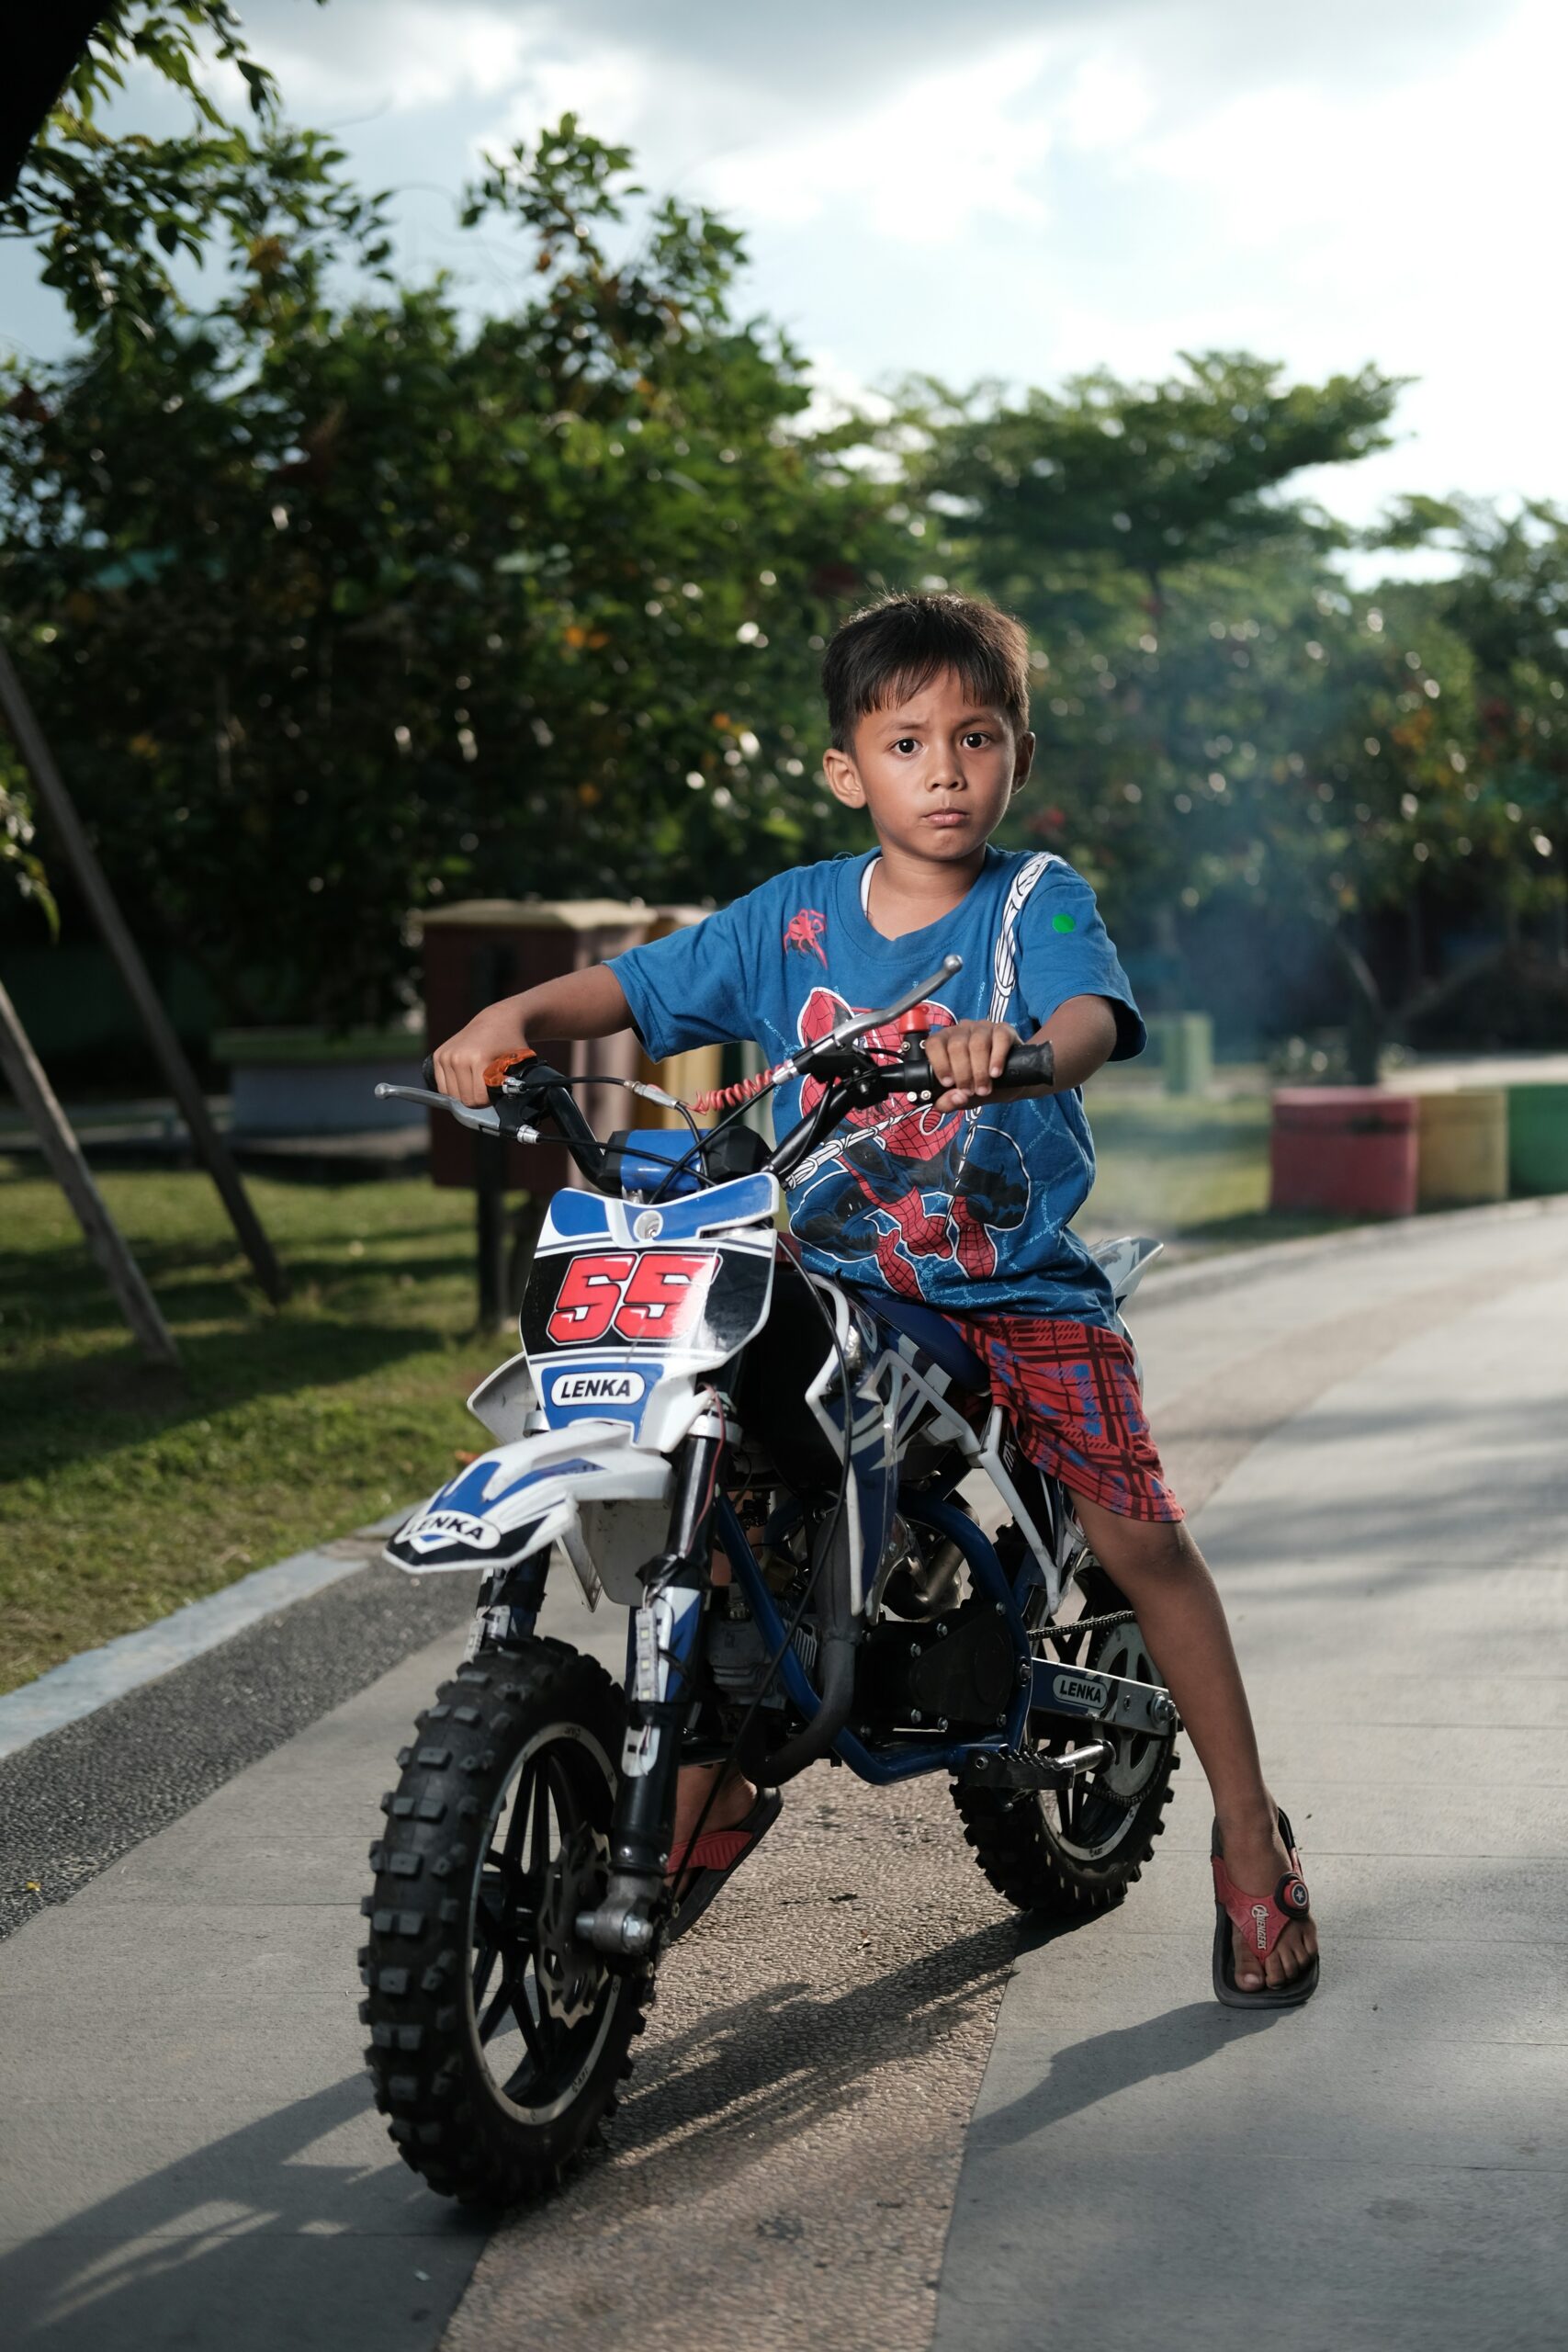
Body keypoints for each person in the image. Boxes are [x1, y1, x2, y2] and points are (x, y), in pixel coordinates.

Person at [434, 591, 1319, 2007]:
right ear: (852, 769)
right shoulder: (791, 919)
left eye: (978, 737)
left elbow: (1090, 1020)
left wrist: (1018, 1049)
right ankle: (709, 1781)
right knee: (728, 1494)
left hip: (1012, 1285)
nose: (948, 770)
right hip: (844, 1277)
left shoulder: (1039, 902)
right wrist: (511, 1023)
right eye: (908, 742)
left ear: (1018, 753)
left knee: (1138, 1538)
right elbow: (642, 985)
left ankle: (1247, 1835)